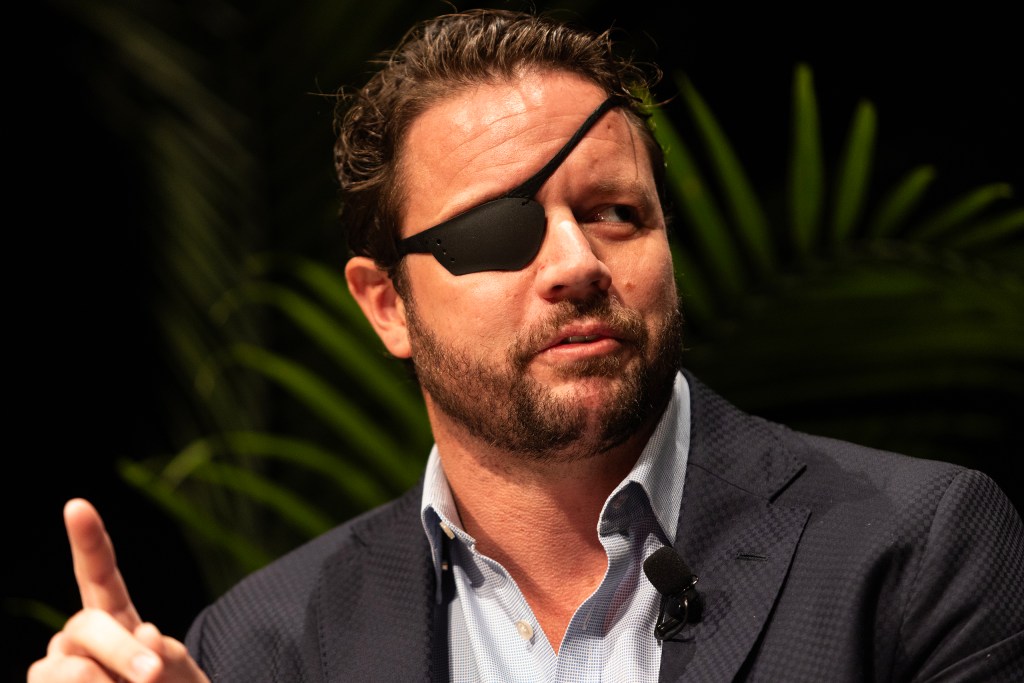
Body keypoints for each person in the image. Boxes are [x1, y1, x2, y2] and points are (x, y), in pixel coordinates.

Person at [29, 9, 1024, 682]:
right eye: (496, 232)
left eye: (616, 212)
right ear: (385, 305)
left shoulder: (914, 550)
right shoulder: (261, 645)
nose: (576, 263)